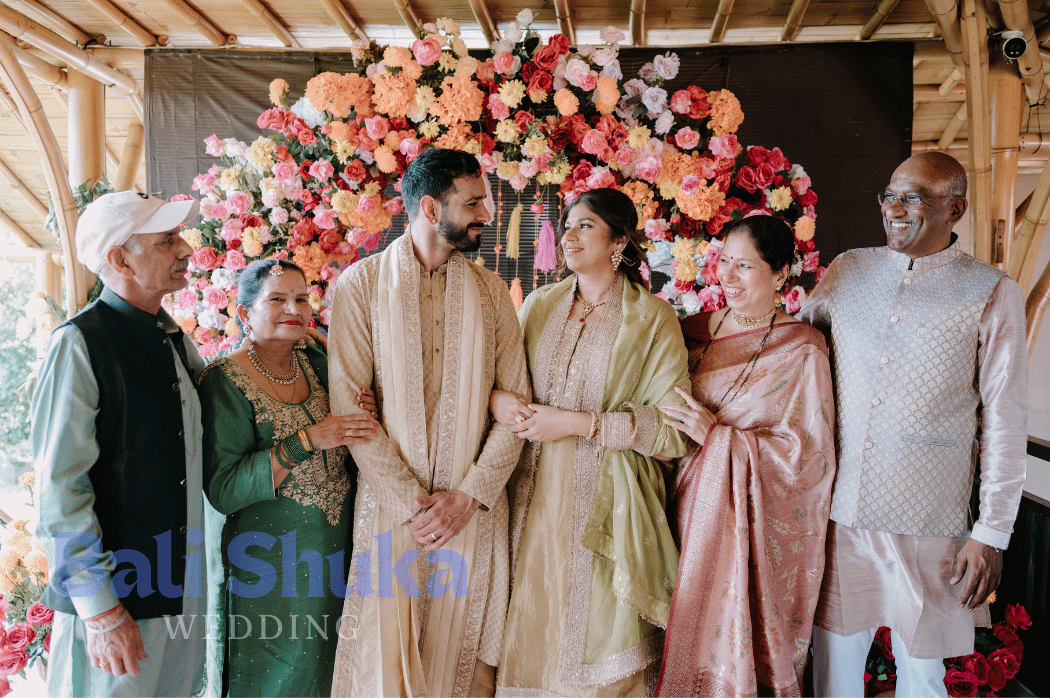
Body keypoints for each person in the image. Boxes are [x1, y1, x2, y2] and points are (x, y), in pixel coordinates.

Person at [800, 151, 1028, 697]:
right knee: (831, 671)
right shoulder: (848, 270)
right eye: (890, 196)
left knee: (924, 675)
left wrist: (991, 533)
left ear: (956, 209)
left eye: (915, 198)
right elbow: (794, 351)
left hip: (932, 520)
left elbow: (1005, 418)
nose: (896, 209)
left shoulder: (991, 290)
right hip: (840, 513)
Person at [327, 148, 531, 697]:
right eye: (473, 202)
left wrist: (468, 497)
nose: (485, 213)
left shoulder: (491, 292)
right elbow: (351, 414)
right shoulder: (361, 285)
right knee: (385, 668)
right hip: (392, 511)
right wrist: (415, 508)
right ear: (431, 208)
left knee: (463, 669)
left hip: (472, 513)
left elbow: (517, 409)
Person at [491, 187, 691, 696]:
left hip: (608, 503)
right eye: (568, 225)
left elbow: (673, 431)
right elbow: (501, 383)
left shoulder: (651, 318)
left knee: (597, 633)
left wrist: (579, 424)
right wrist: (499, 401)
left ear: (618, 241)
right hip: (531, 495)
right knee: (533, 619)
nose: (569, 236)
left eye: (585, 225)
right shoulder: (539, 306)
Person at [32, 190, 207, 696]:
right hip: (116, 607)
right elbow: (59, 491)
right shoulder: (79, 343)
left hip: (179, 593)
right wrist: (101, 611)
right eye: (166, 240)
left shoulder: (173, 340)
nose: (186, 249)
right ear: (120, 259)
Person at [653, 215, 837, 697]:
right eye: (724, 263)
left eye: (745, 266)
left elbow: (807, 459)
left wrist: (717, 438)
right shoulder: (688, 330)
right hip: (667, 507)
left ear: (780, 275)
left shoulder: (802, 350)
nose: (728, 277)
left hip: (737, 522)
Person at [196, 259, 376, 696]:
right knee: (274, 679)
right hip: (268, 566)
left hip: (333, 557)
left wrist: (367, 406)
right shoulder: (225, 380)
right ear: (244, 313)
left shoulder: (314, 361)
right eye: (277, 299)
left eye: (301, 299)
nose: (294, 309)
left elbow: (354, 418)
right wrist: (306, 440)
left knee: (330, 672)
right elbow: (223, 489)